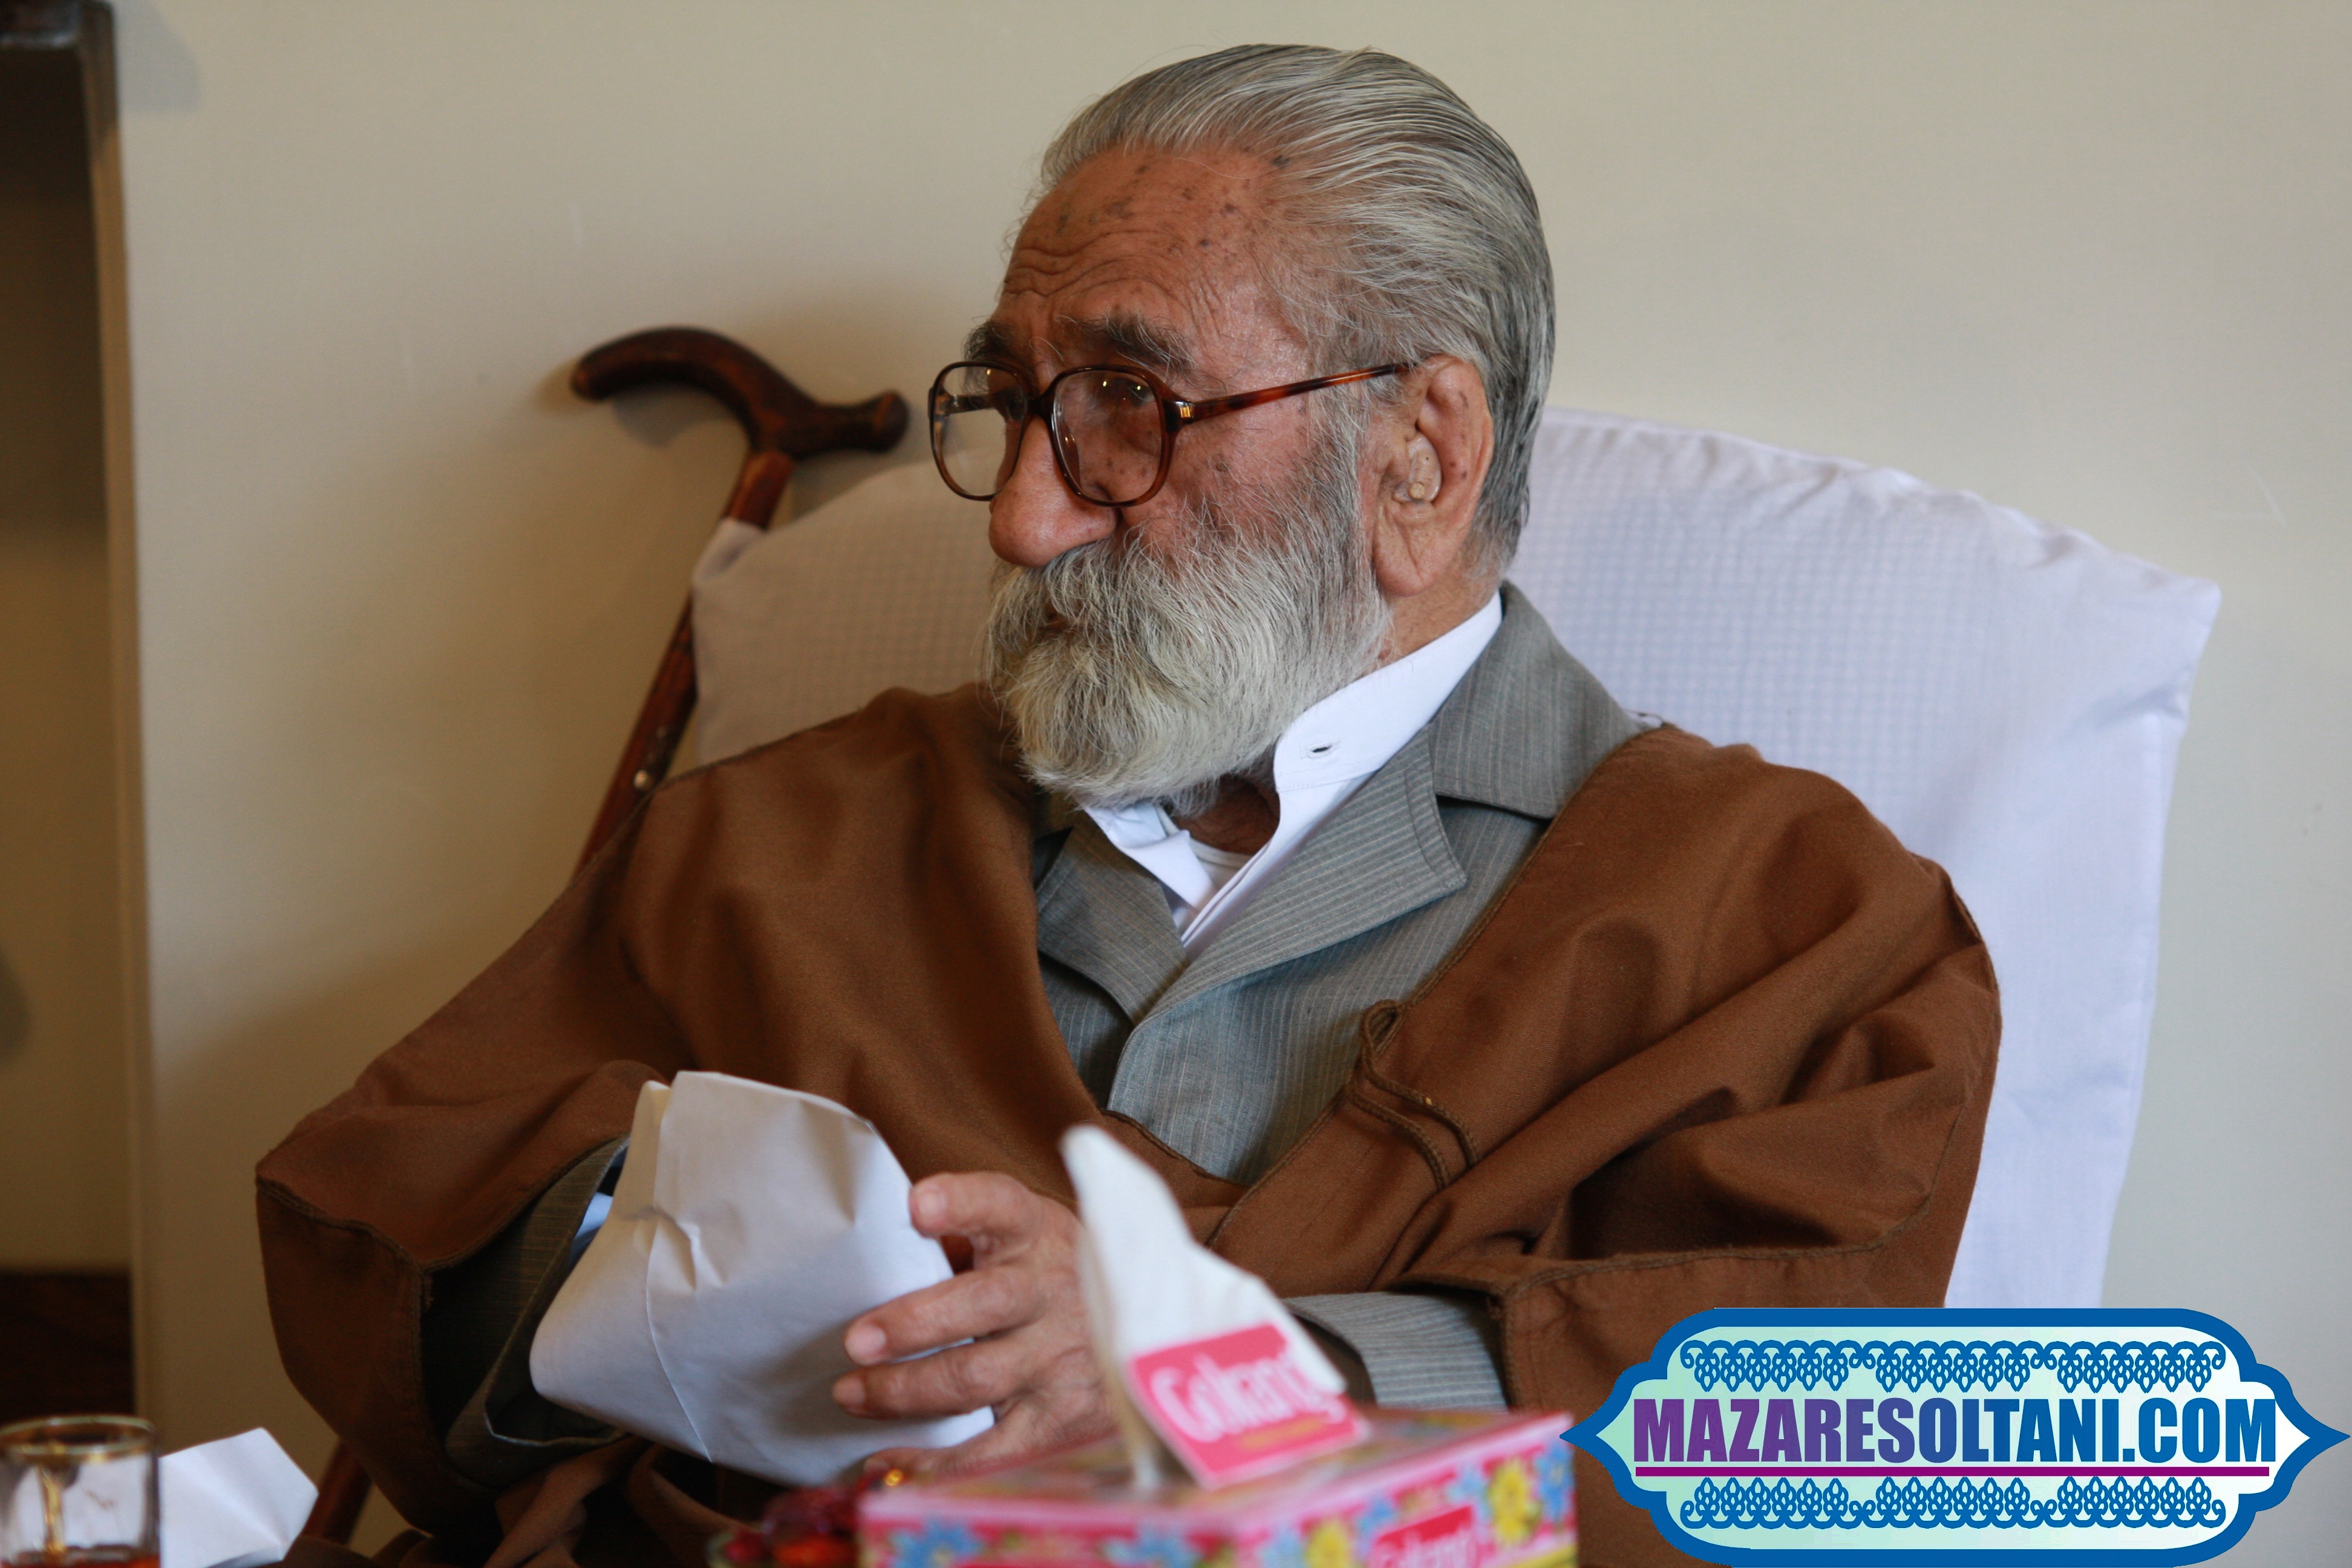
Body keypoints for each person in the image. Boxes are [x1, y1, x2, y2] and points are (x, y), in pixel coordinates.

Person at [260, 44, 1998, 1568]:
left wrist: (1234, 1377)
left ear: (1421, 455)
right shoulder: (783, 837)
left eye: (1128, 406)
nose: (1025, 520)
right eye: (1017, 407)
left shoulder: (1791, 920)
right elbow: (391, 1236)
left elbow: (1817, 1432)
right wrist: (689, 1264)